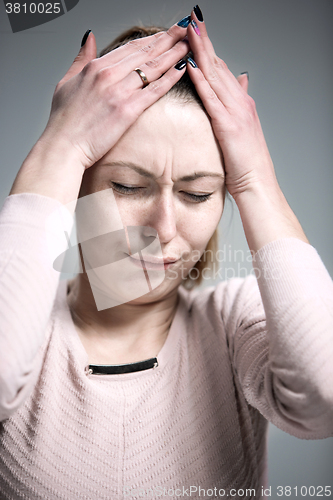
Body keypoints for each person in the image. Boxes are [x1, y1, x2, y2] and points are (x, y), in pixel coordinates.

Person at [0, 5, 332, 499]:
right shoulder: (27, 338)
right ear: (76, 183)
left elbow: (322, 398)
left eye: (198, 194)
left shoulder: (234, 323)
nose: (164, 228)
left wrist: (256, 178)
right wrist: (62, 144)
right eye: (129, 186)